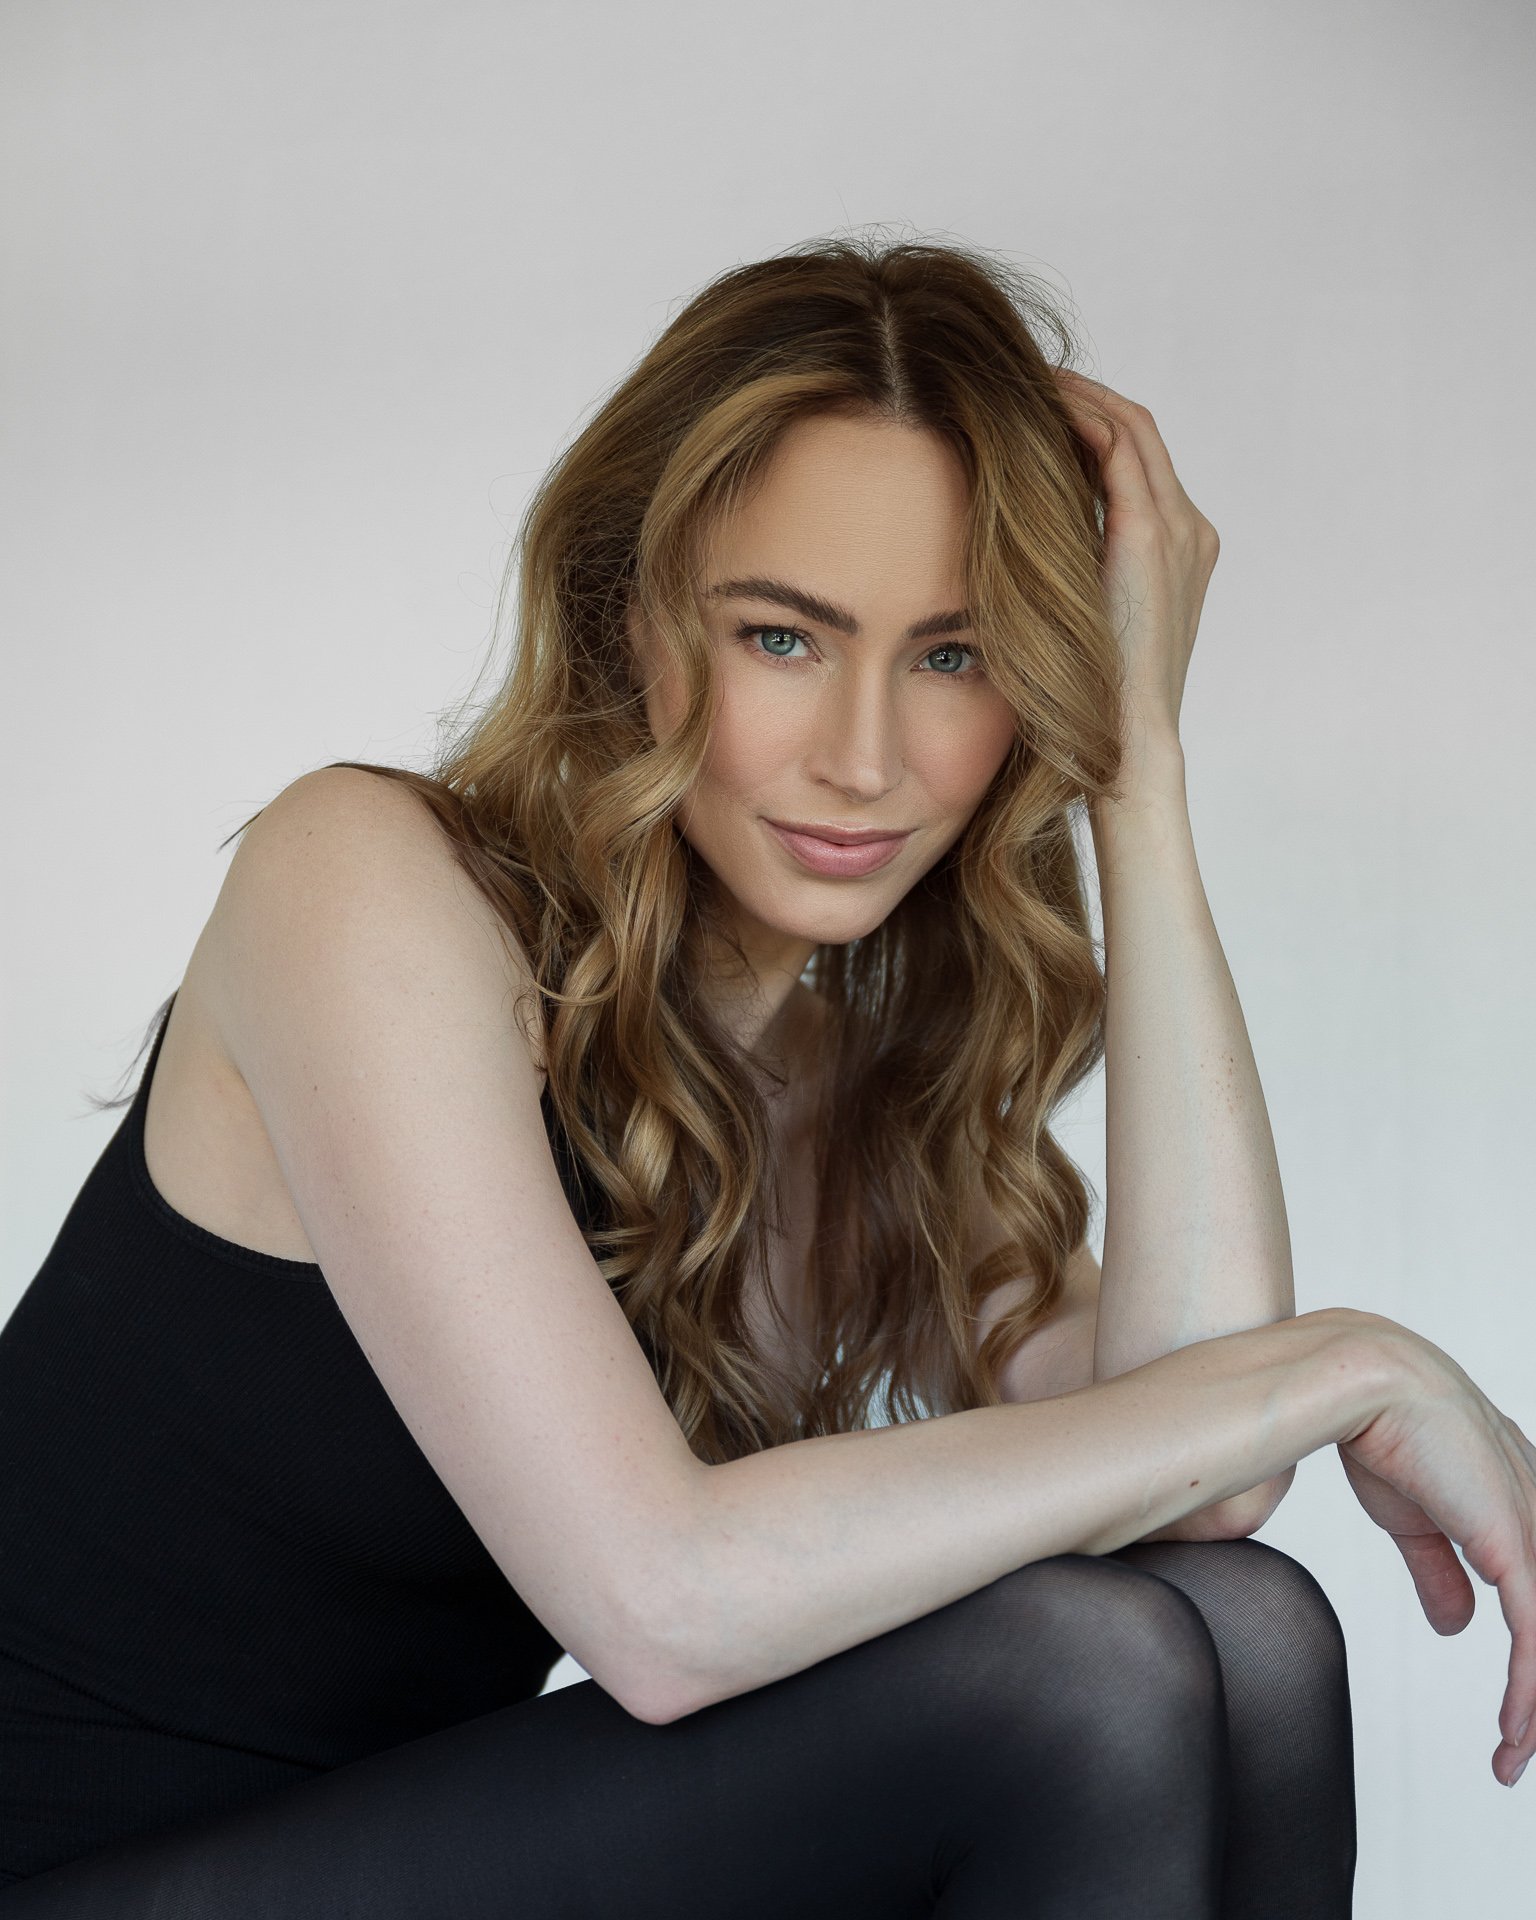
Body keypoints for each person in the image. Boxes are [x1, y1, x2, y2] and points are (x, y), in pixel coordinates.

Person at [1, 232, 1531, 1917]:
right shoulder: (361, 882)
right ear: (630, 620)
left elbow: (1208, 1455)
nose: (866, 756)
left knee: (1246, 1626)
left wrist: (1138, 765)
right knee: (1074, 1674)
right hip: (76, 1873)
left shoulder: (816, 1092)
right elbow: (661, 1606)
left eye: (955, 657)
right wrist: (1357, 1362)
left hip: (410, 1855)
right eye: (783, 638)